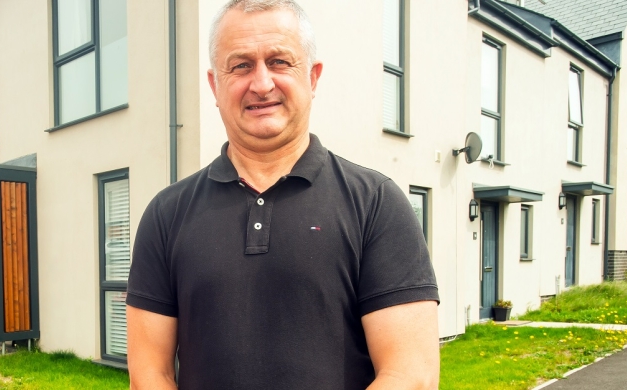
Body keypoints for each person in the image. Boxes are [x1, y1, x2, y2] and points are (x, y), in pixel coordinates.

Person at [126, 0, 440, 388]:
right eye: (241, 65)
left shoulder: (376, 204)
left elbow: (411, 374)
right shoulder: (166, 214)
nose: (261, 84)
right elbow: (149, 373)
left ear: (312, 77)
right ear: (215, 85)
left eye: (279, 62)